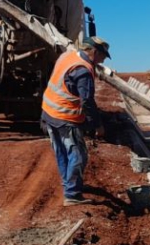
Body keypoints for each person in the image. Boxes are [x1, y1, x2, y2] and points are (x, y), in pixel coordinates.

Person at [41, 36, 110, 206]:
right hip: (66, 118)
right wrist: (97, 125)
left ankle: (68, 183)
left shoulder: (67, 56)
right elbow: (87, 102)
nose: (102, 60)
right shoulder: (83, 71)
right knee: (78, 155)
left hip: (49, 113)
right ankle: (72, 194)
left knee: (61, 151)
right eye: (102, 56)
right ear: (93, 52)